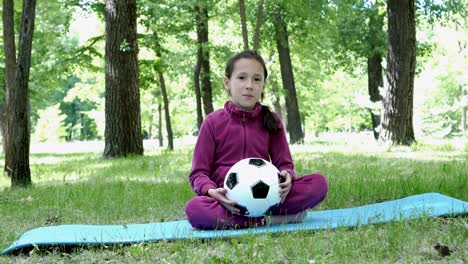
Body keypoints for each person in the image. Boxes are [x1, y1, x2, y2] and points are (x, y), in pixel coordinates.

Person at [184, 50, 328, 230]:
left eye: (257, 79)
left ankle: (257, 216)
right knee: (195, 209)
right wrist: (211, 191)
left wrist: (287, 177)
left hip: (269, 197)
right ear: (227, 82)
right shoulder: (212, 122)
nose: (249, 85)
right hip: (229, 202)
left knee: (319, 184)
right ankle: (273, 220)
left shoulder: (272, 121)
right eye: (242, 78)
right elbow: (198, 174)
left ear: (263, 85)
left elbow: (285, 164)